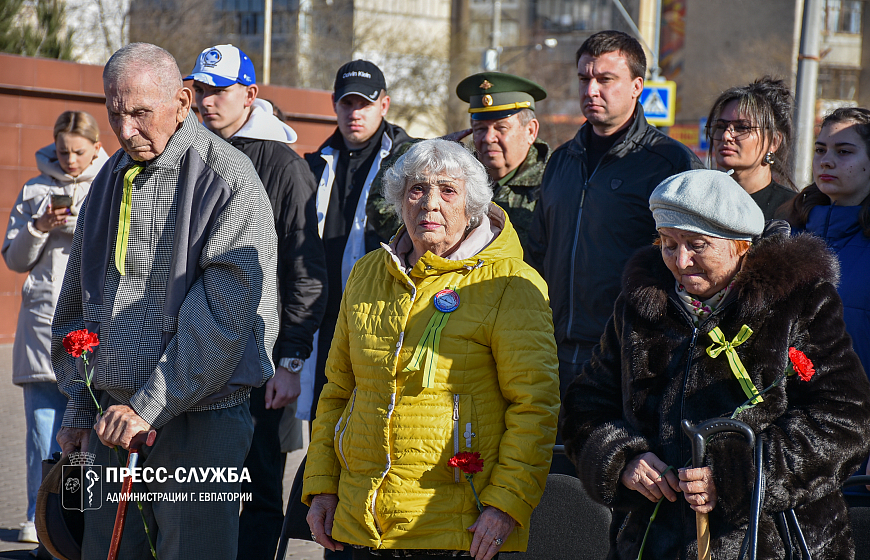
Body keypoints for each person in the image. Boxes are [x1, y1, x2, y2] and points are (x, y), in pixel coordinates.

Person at [561, 168, 870, 558]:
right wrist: (624, 458)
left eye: (697, 245)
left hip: (771, 541)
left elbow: (845, 420)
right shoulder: (640, 305)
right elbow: (586, 403)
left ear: (740, 245)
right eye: (668, 243)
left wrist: (735, 477)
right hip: (654, 541)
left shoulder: (799, 302)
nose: (680, 260)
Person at [51, 43, 278, 560]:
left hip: (202, 421)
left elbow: (223, 318)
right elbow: (80, 304)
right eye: (115, 113)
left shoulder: (228, 178)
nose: (126, 130)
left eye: (140, 113)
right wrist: (82, 405)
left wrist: (146, 405)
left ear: (182, 100)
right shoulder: (110, 176)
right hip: (114, 422)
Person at [302, 139, 559, 560]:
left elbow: (535, 405)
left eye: (448, 190)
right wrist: (323, 486)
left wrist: (506, 504)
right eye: (417, 190)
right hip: (360, 522)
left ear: (472, 205)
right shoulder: (368, 273)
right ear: (400, 200)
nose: (430, 204)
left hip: (459, 528)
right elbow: (338, 392)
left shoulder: (513, 283)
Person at [527, 30, 702, 473]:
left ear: (637, 85)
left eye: (605, 78)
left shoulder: (670, 164)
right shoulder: (561, 161)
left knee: (619, 494)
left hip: (627, 360)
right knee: (553, 492)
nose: (591, 90)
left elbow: (692, 269)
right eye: (584, 77)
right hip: (553, 352)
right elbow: (538, 252)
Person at [184, 43, 327, 560]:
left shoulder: (283, 166)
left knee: (258, 484)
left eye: (218, 90)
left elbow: (305, 269)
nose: (206, 101)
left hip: (257, 360)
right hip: (191, 351)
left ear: (250, 93)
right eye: (200, 89)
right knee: (193, 482)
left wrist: (290, 360)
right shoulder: (188, 152)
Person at [2, 110, 109, 544]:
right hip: (42, 326)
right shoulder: (35, 188)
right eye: (62, 151)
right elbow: (14, 259)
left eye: (78, 152)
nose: (69, 159)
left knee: (85, 435)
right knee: (41, 432)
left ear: (96, 146)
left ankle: (75, 521)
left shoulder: (113, 181)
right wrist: (39, 226)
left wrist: (83, 220)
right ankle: (36, 516)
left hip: (92, 328)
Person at [302, 60, 412, 425]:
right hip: (325, 315)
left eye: (363, 103)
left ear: (384, 104)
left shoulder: (409, 160)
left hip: (384, 315)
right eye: (347, 103)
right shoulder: (317, 162)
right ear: (334, 103)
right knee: (325, 418)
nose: (354, 113)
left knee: (372, 421)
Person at [787, 107, 870, 503]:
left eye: (844, 151)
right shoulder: (788, 232)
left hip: (857, 438)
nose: (827, 161)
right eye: (821, 150)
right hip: (789, 435)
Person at [368, 72, 550, 249]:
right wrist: (430, 147)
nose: (488, 138)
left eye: (501, 128)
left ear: (530, 131)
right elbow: (381, 212)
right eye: (479, 128)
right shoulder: (457, 174)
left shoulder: (553, 181)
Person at [706, 77, 797, 220]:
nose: (726, 136)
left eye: (742, 127)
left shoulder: (792, 211)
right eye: (721, 126)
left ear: (774, 141)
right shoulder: (701, 201)